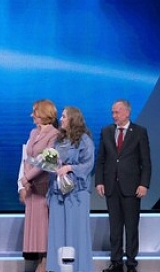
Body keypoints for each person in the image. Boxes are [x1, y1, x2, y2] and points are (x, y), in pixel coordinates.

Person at [95, 99, 151, 272]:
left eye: (117, 112)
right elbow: (101, 159)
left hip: (132, 187)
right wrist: (99, 181)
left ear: (127, 112)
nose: (114, 115)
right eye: (112, 112)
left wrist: (144, 184)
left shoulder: (139, 132)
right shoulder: (106, 131)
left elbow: (145, 162)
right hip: (111, 186)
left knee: (131, 227)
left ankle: (131, 263)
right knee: (115, 227)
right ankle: (116, 262)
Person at [47, 106, 95, 272]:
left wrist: (69, 168)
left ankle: (80, 268)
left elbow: (88, 165)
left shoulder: (85, 141)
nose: (61, 119)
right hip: (58, 192)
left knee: (77, 232)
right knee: (57, 232)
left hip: (77, 194)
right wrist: (51, 165)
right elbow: (51, 161)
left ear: (72, 119)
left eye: (64, 116)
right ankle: (57, 268)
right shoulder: (58, 140)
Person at [17, 100, 59, 272]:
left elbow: (47, 162)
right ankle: (36, 260)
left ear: (43, 113)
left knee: (43, 227)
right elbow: (28, 157)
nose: (32, 115)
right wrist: (25, 182)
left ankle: (45, 262)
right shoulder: (33, 132)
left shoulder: (55, 134)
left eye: (34, 112)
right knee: (33, 228)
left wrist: (27, 177)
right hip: (31, 188)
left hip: (43, 187)